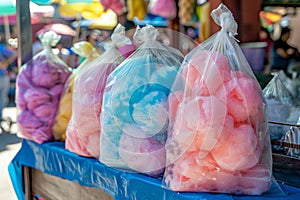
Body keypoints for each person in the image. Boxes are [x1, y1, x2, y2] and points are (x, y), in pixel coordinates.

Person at [0, 39, 17, 122]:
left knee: (3, 98)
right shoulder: (2, 48)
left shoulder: (2, 48)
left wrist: (5, 63)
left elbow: (14, 54)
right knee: (3, 98)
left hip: (3, 76)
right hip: (2, 76)